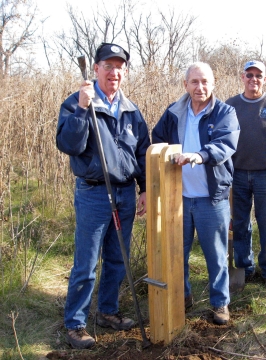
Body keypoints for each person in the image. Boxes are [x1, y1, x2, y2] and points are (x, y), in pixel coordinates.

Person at [56, 43, 151, 349]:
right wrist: (84, 109)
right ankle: (75, 323)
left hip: (124, 194)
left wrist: (145, 188)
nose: (114, 72)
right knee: (86, 263)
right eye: (107, 66)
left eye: (119, 67)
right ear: (95, 69)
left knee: (117, 259)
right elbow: (69, 144)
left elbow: (142, 152)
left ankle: (107, 312)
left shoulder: (131, 110)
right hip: (94, 194)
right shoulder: (76, 103)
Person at [151, 62, 239, 325]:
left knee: (216, 255)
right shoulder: (174, 112)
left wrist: (199, 156)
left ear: (213, 84)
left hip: (212, 199)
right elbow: (157, 140)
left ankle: (220, 303)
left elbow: (225, 145)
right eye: (194, 82)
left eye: (205, 82)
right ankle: (182, 296)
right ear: (185, 85)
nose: (200, 87)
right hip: (178, 197)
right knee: (178, 253)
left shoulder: (225, 112)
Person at [225, 60, 266, 291]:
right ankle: (244, 268)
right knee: (240, 224)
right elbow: (223, 139)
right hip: (237, 174)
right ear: (242, 77)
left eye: (258, 76)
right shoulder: (231, 105)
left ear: (265, 78)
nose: (254, 79)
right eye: (249, 75)